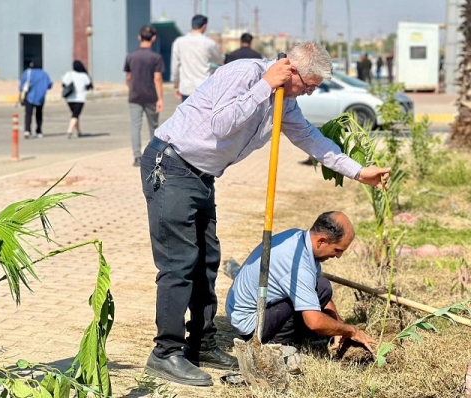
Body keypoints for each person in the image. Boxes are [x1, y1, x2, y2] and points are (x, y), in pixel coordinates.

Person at [140, 41, 390, 387]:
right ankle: (166, 353)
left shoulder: (284, 101)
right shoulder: (246, 75)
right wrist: (264, 87)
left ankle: (200, 343)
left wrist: (359, 172)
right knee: (180, 264)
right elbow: (219, 124)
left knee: (207, 262)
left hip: (201, 177)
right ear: (291, 70)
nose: (307, 94)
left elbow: (311, 139)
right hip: (171, 166)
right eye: (309, 85)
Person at [226, 211, 377, 360]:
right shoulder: (298, 266)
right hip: (251, 323)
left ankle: (298, 336)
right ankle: (277, 344)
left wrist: (339, 327)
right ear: (321, 241)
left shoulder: (299, 239)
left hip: (257, 308)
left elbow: (317, 292)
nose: (338, 256)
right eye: (337, 250)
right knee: (319, 296)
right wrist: (351, 331)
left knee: (322, 287)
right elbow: (315, 322)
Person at [124, 25, 165, 167]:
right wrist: (160, 98)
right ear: (153, 38)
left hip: (135, 96)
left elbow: (128, 77)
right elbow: (157, 78)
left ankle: (137, 157)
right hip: (151, 96)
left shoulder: (131, 56)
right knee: (154, 127)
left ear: (139, 37)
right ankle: (154, 156)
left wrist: (131, 88)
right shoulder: (156, 57)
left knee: (136, 126)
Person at [170, 14, 223, 102]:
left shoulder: (179, 42)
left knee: (187, 114)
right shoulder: (209, 43)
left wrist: (176, 85)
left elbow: (175, 66)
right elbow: (219, 60)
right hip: (204, 88)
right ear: (204, 26)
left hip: (186, 88)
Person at [18, 59, 52, 139]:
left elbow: (22, 85)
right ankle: (39, 131)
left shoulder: (27, 73)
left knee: (28, 114)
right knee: (39, 114)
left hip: (29, 96)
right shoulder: (44, 74)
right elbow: (49, 85)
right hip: (40, 98)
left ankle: (27, 131)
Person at [62, 60, 93, 139]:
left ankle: (79, 132)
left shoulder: (68, 74)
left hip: (69, 98)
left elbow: (63, 84)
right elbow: (89, 86)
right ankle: (69, 131)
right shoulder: (84, 76)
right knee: (75, 115)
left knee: (75, 115)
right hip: (80, 98)